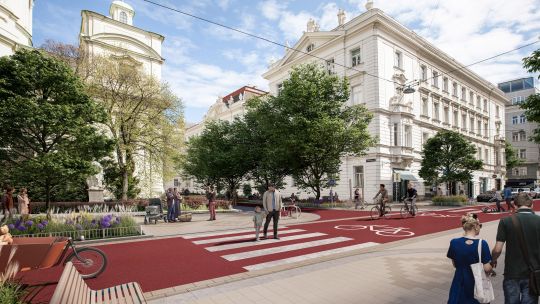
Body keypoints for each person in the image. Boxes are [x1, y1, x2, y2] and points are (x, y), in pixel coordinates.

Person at [491, 193, 540, 304]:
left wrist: (493, 260)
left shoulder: (506, 221)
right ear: (532, 205)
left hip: (512, 273)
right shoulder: (538, 221)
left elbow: (497, 249)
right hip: (533, 273)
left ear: (515, 205)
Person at [447, 213, 494, 304]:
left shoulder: (454, 242)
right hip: (476, 283)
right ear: (476, 226)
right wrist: (492, 269)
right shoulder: (482, 243)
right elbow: (487, 268)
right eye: (480, 225)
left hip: (459, 281)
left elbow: (455, 264)